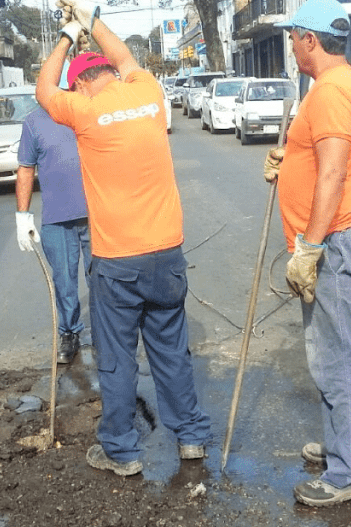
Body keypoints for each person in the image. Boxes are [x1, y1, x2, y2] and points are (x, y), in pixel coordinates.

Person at [35, 2, 211, 476]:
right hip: (166, 255)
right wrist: (92, 19)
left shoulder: (85, 111)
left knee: (115, 360)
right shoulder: (149, 91)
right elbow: (128, 58)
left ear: (82, 83)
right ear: (112, 74)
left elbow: (43, 88)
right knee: (171, 352)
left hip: (118, 263)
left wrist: (69, 33)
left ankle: (122, 451)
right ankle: (191, 437)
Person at [263, 0, 351, 507]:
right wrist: (291, 158)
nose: (290, 45)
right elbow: (328, 156)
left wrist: (308, 248)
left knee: (335, 360)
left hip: (332, 242)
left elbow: (332, 174)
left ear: (310, 40)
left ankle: (348, 473)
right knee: (341, 354)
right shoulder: (347, 83)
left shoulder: (330, 91)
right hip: (341, 237)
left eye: (293, 37)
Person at [15, 76, 92, 365]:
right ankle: (69, 332)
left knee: (102, 278)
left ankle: (108, 333)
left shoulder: (86, 112)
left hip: (96, 213)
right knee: (64, 281)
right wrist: (22, 215)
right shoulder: (34, 123)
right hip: (57, 219)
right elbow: (25, 169)